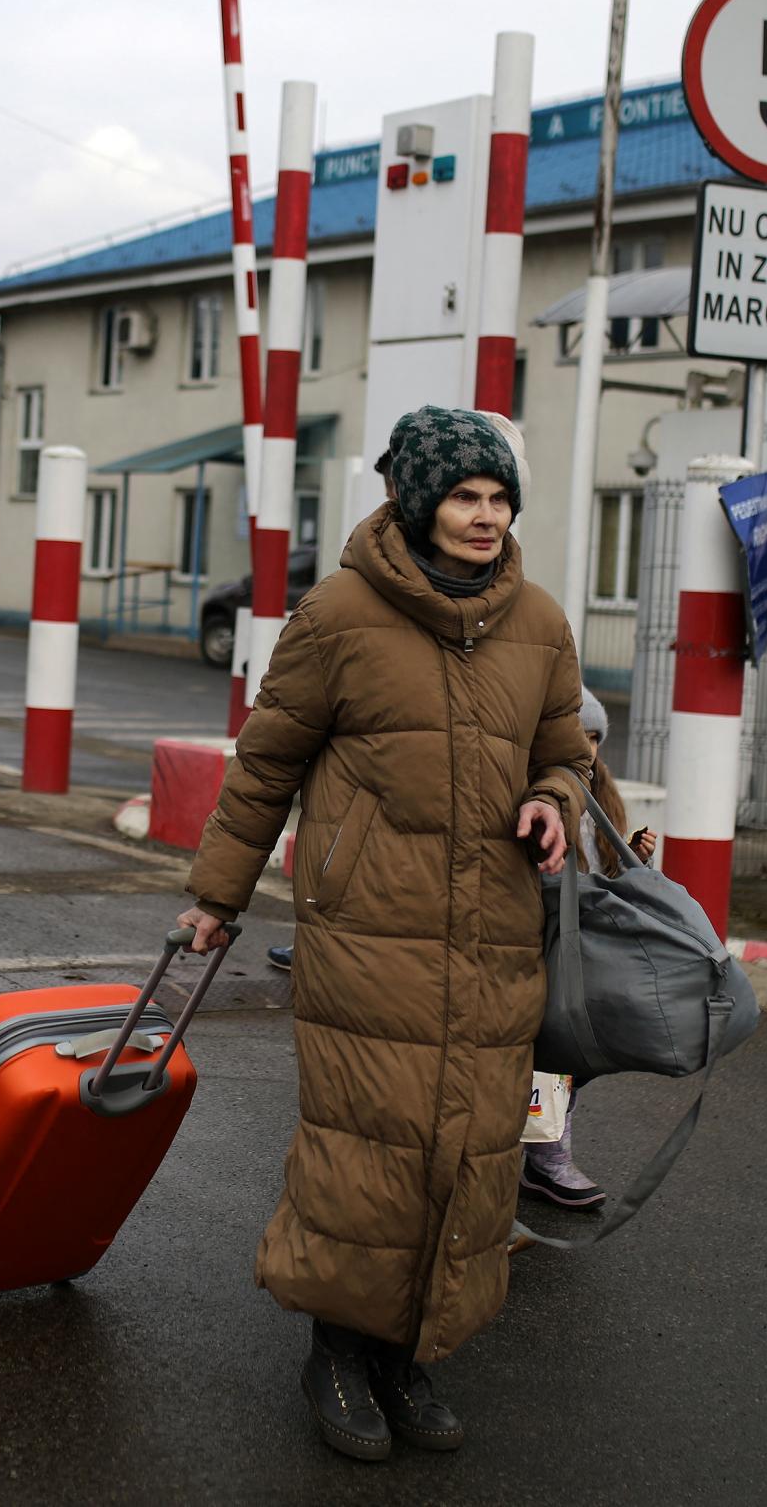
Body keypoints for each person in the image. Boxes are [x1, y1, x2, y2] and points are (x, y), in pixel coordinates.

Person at [178, 405, 588, 1465]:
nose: (484, 517)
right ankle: (339, 1355)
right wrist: (215, 897)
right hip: (367, 926)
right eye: (463, 496)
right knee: (371, 1148)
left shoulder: (538, 622)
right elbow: (265, 763)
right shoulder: (338, 615)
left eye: (498, 499)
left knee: (470, 1149)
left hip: (493, 929)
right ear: (416, 502)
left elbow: (566, 751)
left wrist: (552, 798)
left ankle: (412, 1354)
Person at [518, 687, 660, 1213]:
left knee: (570, 1057)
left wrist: (634, 856)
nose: (590, 747)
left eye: (596, 737)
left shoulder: (603, 801)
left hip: (584, 952)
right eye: (581, 735)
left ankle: (546, 1156)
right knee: (549, 1055)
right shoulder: (542, 796)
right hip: (539, 945)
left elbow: (609, 882)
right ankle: (547, 1159)